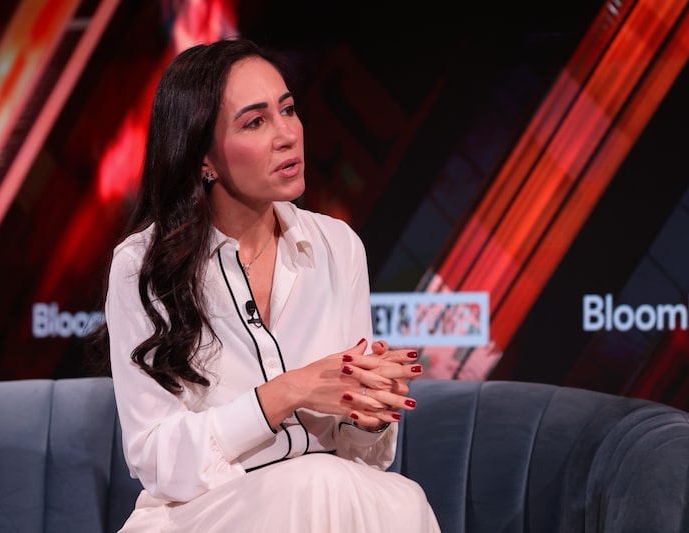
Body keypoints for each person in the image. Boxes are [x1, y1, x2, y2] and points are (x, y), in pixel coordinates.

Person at [98, 36, 441, 532]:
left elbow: (362, 459)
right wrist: (285, 393)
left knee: (397, 499)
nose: (287, 135)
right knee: (318, 483)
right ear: (203, 158)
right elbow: (156, 461)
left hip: (325, 507)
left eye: (288, 110)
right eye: (255, 122)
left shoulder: (338, 246)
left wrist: (367, 413)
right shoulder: (142, 266)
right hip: (199, 515)